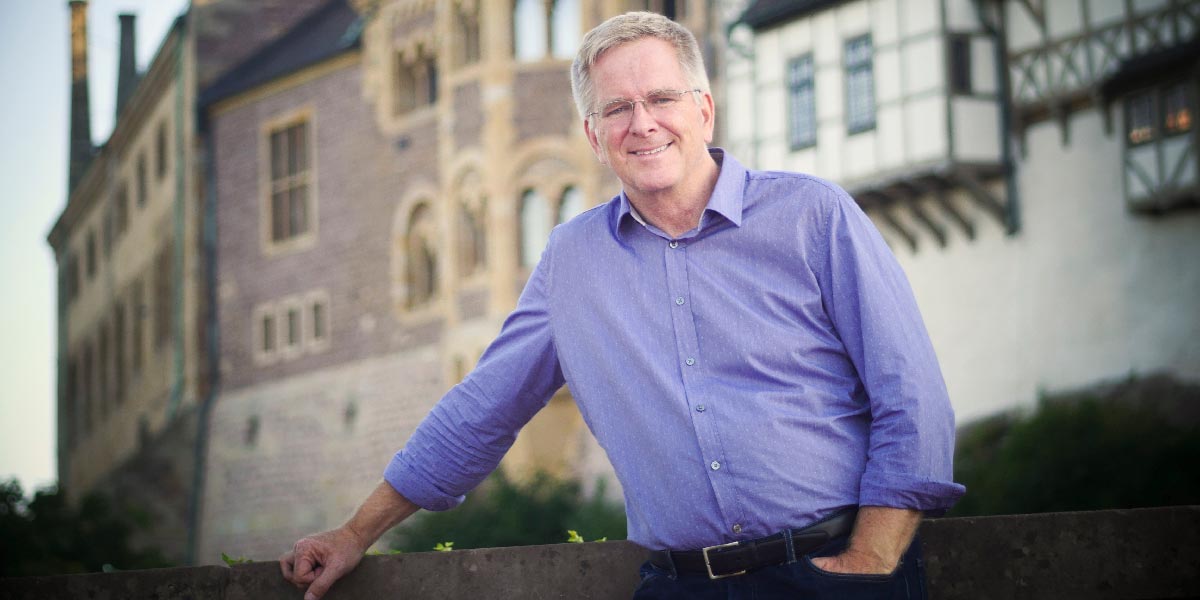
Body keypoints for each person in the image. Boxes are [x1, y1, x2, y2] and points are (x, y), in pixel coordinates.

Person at [281, 11, 963, 599]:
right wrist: (353, 533)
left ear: (703, 109)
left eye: (662, 98)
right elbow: (478, 413)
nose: (643, 124)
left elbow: (913, 398)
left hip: (833, 572)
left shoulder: (813, 215)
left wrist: (870, 563)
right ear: (592, 133)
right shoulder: (570, 263)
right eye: (617, 108)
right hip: (680, 585)